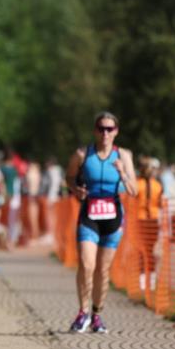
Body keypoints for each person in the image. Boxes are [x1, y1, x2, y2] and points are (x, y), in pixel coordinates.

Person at [64, 111, 138, 333]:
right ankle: (82, 312)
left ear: (116, 132)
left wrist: (123, 173)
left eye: (110, 129)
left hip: (113, 217)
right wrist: (75, 189)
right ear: (95, 130)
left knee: (103, 270)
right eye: (101, 128)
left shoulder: (123, 155)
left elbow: (134, 191)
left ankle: (96, 315)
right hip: (89, 214)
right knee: (87, 265)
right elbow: (69, 177)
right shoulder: (82, 154)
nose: (105, 133)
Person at [135, 157, 163, 291]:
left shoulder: (137, 184)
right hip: (153, 220)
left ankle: (144, 279)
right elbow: (161, 203)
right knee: (150, 250)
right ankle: (149, 280)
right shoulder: (157, 185)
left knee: (142, 250)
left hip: (141, 220)